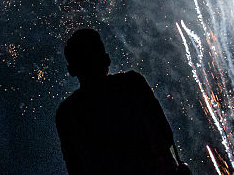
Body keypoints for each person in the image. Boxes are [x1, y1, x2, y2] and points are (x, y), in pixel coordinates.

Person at [55, 28, 190, 175]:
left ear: (72, 70)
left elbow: (74, 168)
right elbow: (165, 134)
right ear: (106, 59)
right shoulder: (132, 83)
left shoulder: (67, 113)